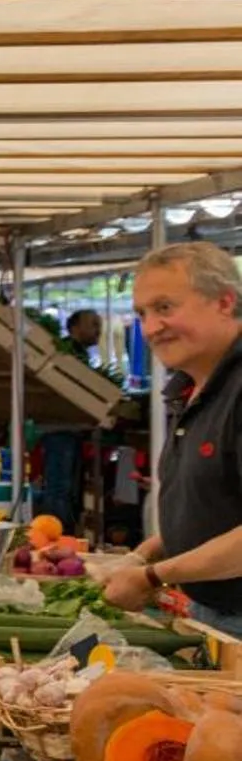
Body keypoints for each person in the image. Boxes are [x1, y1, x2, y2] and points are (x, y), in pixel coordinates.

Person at [103, 244, 242, 632]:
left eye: (165, 308)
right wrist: (144, 554)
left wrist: (153, 576)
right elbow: (212, 505)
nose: (149, 328)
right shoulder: (190, 390)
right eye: (142, 313)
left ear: (225, 302)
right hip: (212, 614)